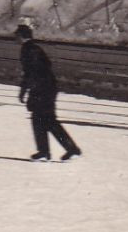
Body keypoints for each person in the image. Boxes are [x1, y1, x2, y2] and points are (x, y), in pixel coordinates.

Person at [15, 25, 80, 162]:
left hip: (43, 89)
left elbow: (31, 72)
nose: (15, 37)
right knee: (40, 120)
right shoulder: (33, 48)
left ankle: (69, 149)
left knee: (47, 120)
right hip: (46, 88)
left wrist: (25, 90)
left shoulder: (29, 49)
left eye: (17, 35)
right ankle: (45, 151)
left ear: (22, 36)